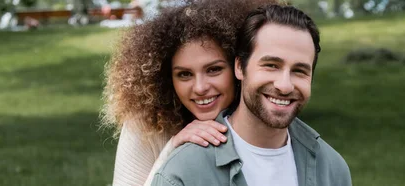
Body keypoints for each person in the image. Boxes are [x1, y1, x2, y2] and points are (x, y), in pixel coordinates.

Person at [151, 4, 352, 186]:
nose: (284, 85)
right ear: (239, 67)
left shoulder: (332, 169)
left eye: (299, 71)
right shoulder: (184, 173)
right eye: (271, 65)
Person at [100, 0, 277, 185]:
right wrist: (173, 149)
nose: (200, 88)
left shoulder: (261, 118)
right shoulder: (146, 125)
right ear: (168, 78)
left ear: (238, 67)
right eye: (184, 74)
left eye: (213, 70)